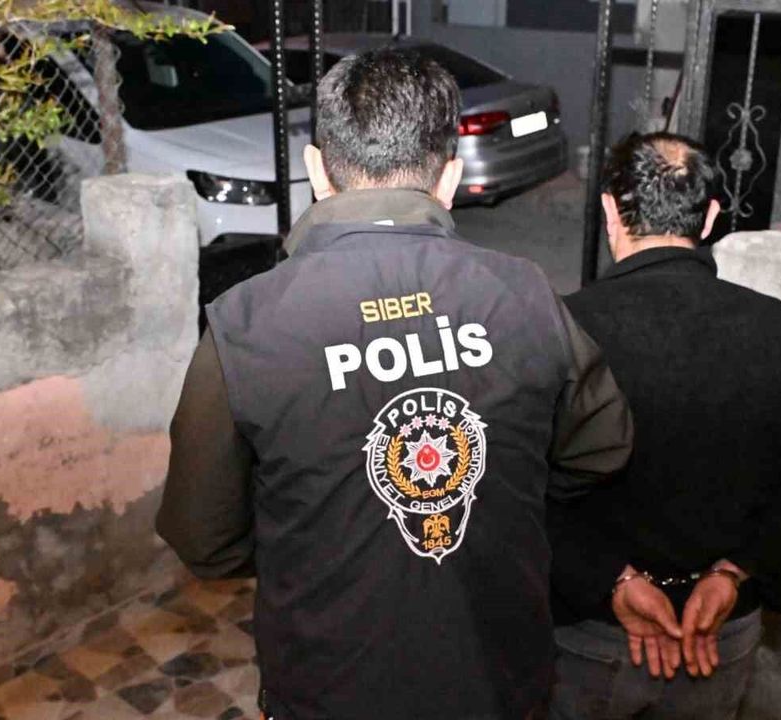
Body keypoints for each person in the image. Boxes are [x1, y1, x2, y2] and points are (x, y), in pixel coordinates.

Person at [156, 48, 634, 720]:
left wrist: (309, 531)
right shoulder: (527, 294)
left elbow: (203, 538)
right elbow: (603, 447)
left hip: (327, 690)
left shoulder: (245, 324)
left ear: (316, 170)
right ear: (451, 176)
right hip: (501, 681)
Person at [547, 132, 781, 720]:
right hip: (718, 634)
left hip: (587, 636)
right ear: (712, 217)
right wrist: (733, 571)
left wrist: (609, 579)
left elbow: (508, 479)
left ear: (610, 211)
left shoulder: (560, 328)